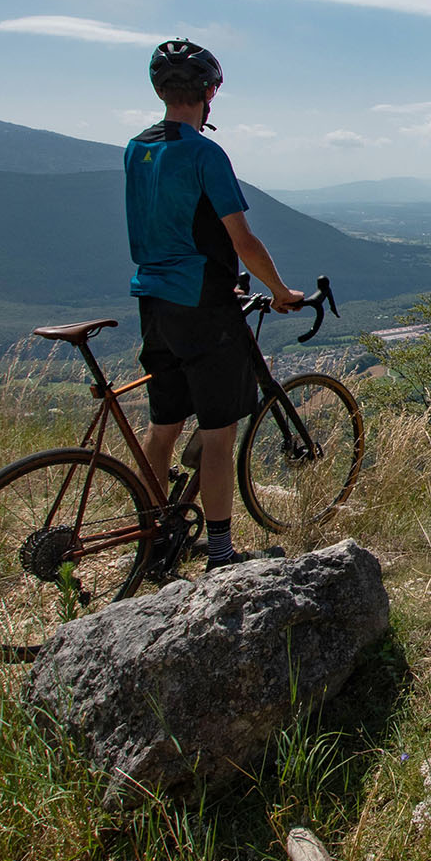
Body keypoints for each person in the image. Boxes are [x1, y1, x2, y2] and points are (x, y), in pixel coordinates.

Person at [125, 38, 302, 569]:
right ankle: (222, 553)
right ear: (209, 93)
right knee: (218, 434)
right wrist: (280, 291)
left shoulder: (136, 149)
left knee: (163, 426)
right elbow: (242, 239)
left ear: (159, 90)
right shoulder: (205, 153)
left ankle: (154, 540)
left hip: (153, 303)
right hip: (203, 306)